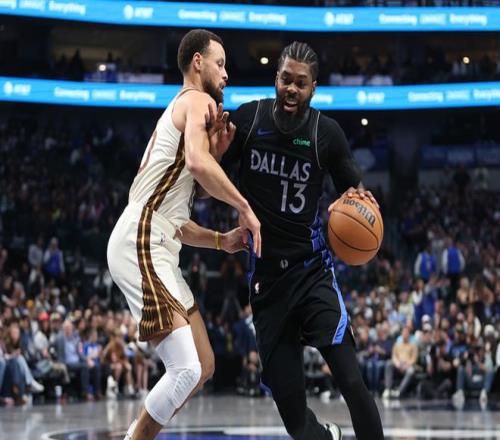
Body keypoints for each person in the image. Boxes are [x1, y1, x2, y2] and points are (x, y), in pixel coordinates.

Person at [213, 41, 384, 439]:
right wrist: (217, 156)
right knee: (295, 421)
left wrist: (359, 199)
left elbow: (353, 189)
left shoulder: (326, 134)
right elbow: (207, 188)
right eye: (285, 79)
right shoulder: (249, 120)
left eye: (300, 83)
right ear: (276, 78)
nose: (291, 88)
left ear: (313, 88)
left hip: (311, 273)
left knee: (351, 379)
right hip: (267, 281)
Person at [106, 29, 261, 440]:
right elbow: (196, 163)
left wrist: (221, 240)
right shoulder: (197, 99)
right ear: (197, 62)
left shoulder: (188, 110)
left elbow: (178, 220)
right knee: (186, 369)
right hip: (141, 238)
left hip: (156, 237)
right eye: (220, 64)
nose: (226, 74)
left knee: (203, 365)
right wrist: (244, 207)